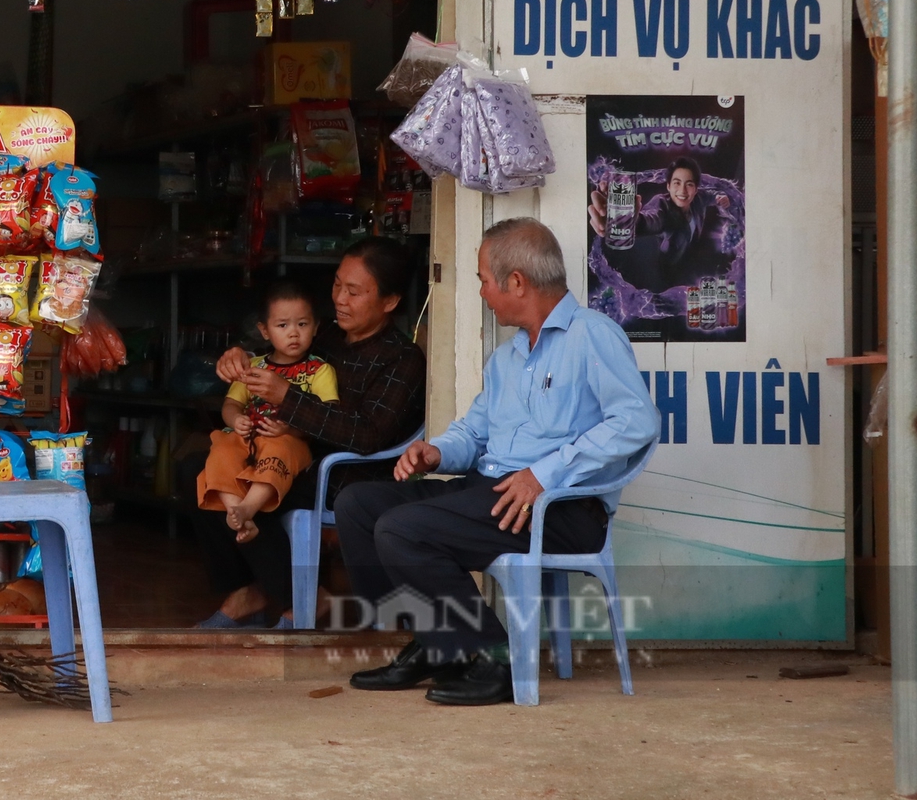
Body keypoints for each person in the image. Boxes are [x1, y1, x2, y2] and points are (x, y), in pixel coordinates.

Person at [336, 217, 656, 705]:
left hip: (560, 509)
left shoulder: (592, 335)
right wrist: (437, 450)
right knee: (359, 504)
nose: (482, 291)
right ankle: (435, 643)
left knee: (402, 528)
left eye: (484, 280)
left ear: (516, 282)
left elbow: (637, 421)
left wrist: (542, 475)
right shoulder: (507, 359)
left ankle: (496, 662)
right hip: (491, 491)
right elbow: (475, 432)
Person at [185, 238, 426, 629]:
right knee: (196, 468)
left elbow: (369, 435)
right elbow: (279, 348)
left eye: (354, 291)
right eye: (336, 285)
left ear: (390, 301)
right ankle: (254, 588)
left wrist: (289, 400)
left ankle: (298, 597)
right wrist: (239, 355)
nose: (340, 299)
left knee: (252, 486)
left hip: (345, 473)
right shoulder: (326, 335)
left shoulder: (401, 359)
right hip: (287, 451)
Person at [198, 280, 338, 545]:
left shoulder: (320, 371)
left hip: (288, 440)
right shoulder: (252, 367)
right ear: (264, 331)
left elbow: (327, 415)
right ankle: (233, 509)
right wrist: (236, 420)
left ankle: (248, 508)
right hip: (247, 438)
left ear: (316, 327)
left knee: (280, 451)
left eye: (303, 324)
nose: (293, 333)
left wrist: (291, 428)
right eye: (282, 325)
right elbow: (231, 405)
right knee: (221, 447)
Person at [586, 157, 733, 286]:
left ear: (695, 189)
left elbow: (710, 194)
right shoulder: (662, 206)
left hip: (693, 259)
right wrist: (625, 220)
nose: (682, 190)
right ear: (668, 186)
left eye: (689, 184)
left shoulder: (699, 198)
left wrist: (720, 197)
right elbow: (650, 220)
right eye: (676, 183)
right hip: (670, 267)